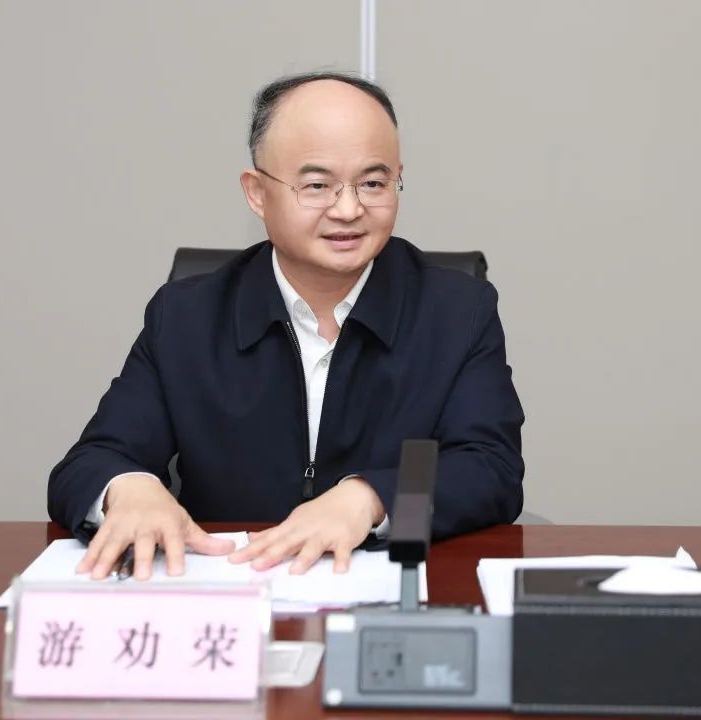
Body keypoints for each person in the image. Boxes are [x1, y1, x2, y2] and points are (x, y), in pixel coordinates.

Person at [48, 71, 524, 582]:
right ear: (257, 193)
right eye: (317, 186)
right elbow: (93, 461)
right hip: (229, 591)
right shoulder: (186, 316)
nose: (349, 209)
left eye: (373, 183)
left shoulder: (457, 311)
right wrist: (128, 488)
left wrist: (371, 498)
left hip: (379, 595)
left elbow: (489, 469)